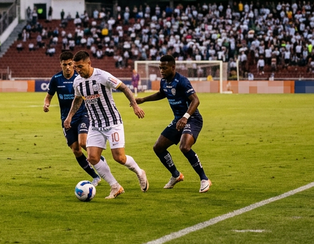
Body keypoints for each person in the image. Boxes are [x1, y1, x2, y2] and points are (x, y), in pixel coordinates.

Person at [63, 50, 148, 199]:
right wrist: (69, 116)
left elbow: (124, 87)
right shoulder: (78, 81)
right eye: (76, 67)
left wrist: (134, 105)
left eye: (80, 66)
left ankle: (140, 172)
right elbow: (78, 99)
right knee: (93, 158)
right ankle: (115, 186)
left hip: (112, 123)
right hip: (95, 125)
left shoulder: (102, 76)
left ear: (89, 63)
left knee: (119, 158)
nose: (78, 70)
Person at [135, 55, 211, 193]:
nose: (161, 71)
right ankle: (176, 175)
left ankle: (204, 178)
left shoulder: (182, 81)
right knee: (158, 147)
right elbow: (161, 94)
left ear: (173, 67)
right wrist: (143, 100)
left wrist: (185, 117)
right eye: (160, 68)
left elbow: (195, 100)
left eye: (164, 68)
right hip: (178, 120)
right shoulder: (164, 81)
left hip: (192, 118)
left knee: (184, 147)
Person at [44, 51, 106, 187]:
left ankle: (100, 161)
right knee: (76, 150)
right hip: (66, 119)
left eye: (70, 64)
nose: (67, 67)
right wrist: (46, 104)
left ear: (73, 64)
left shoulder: (80, 77)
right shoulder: (56, 79)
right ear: (60, 64)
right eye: (64, 64)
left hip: (83, 114)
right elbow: (49, 95)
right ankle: (95, 176)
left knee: (83, 143)